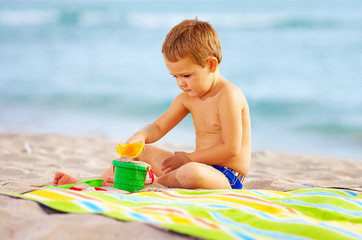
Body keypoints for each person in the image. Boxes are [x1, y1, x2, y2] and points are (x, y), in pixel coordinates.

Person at [54, 18, 251, 190]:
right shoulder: (187, 98)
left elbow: (231, 148)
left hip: (226, 176)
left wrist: (188, 159)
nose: (180, 83)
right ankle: (95, 182)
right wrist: (141, 135)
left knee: (192, 172)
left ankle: (152, 182)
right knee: (142, 152)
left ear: (211, 65)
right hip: (195, 165)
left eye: (187, 75)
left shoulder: (229, 96)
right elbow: (158, 126)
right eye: (175, 76)